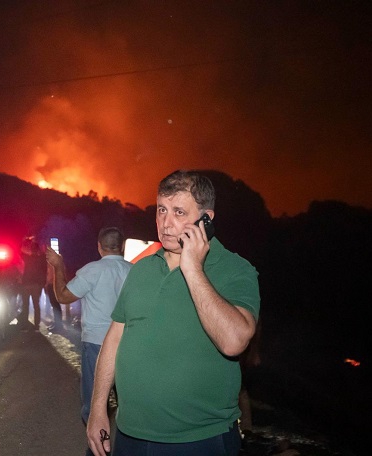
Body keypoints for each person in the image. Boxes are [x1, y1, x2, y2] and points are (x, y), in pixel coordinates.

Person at [86, 170, 261, 456]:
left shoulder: (235, 270)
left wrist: (192, 268)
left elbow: (234, 342)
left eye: (179, 212)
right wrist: (97, 410)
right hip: (130, 434)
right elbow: (114, 339)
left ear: (206, 220)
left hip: (199, 440)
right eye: (161, 210)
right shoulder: (141, 269)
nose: (165, 223)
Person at [46, 227, 132, 450]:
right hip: (128, 343)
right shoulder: (135, 271)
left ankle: (98, 449)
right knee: (129, 401)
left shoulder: (92, 271)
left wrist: (58, 266)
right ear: (121, 247)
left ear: (99, 246)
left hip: (96, 344)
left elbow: (63, 296)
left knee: (96, 403)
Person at [17, 236, 47, 332]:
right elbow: (44, 271)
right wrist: (42, 283)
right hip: (37, 284)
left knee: (25, 305)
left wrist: (25, 239)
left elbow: (19, 250)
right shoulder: (41, 257)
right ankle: (36, 326)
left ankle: (25, 326)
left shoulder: (26, 256)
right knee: (36, 305)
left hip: (26, 283)